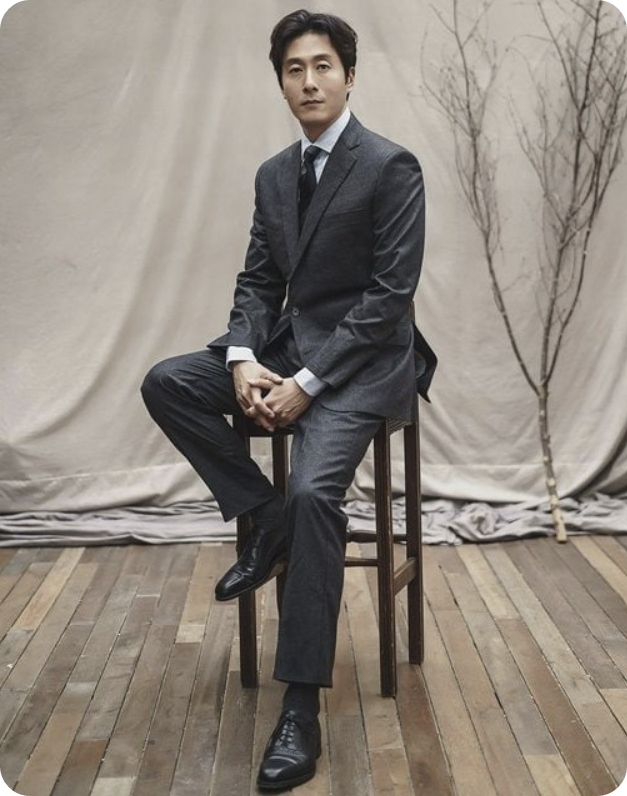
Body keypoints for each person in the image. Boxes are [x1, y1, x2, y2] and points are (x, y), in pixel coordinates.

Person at [141, 8, 436, 790]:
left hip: (364, 363)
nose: (308, 81)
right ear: (280, 82)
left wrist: (306, 385)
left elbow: (388, 298)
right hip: (284, 347)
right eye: (293, 69)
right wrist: (243, 360)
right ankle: (262, 517)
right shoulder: (274, 174)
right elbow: (258, 280)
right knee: (169, 381)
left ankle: (299, 707)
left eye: (322, 66)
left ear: (349, 75)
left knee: (311, 494)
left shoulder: (389, 165)